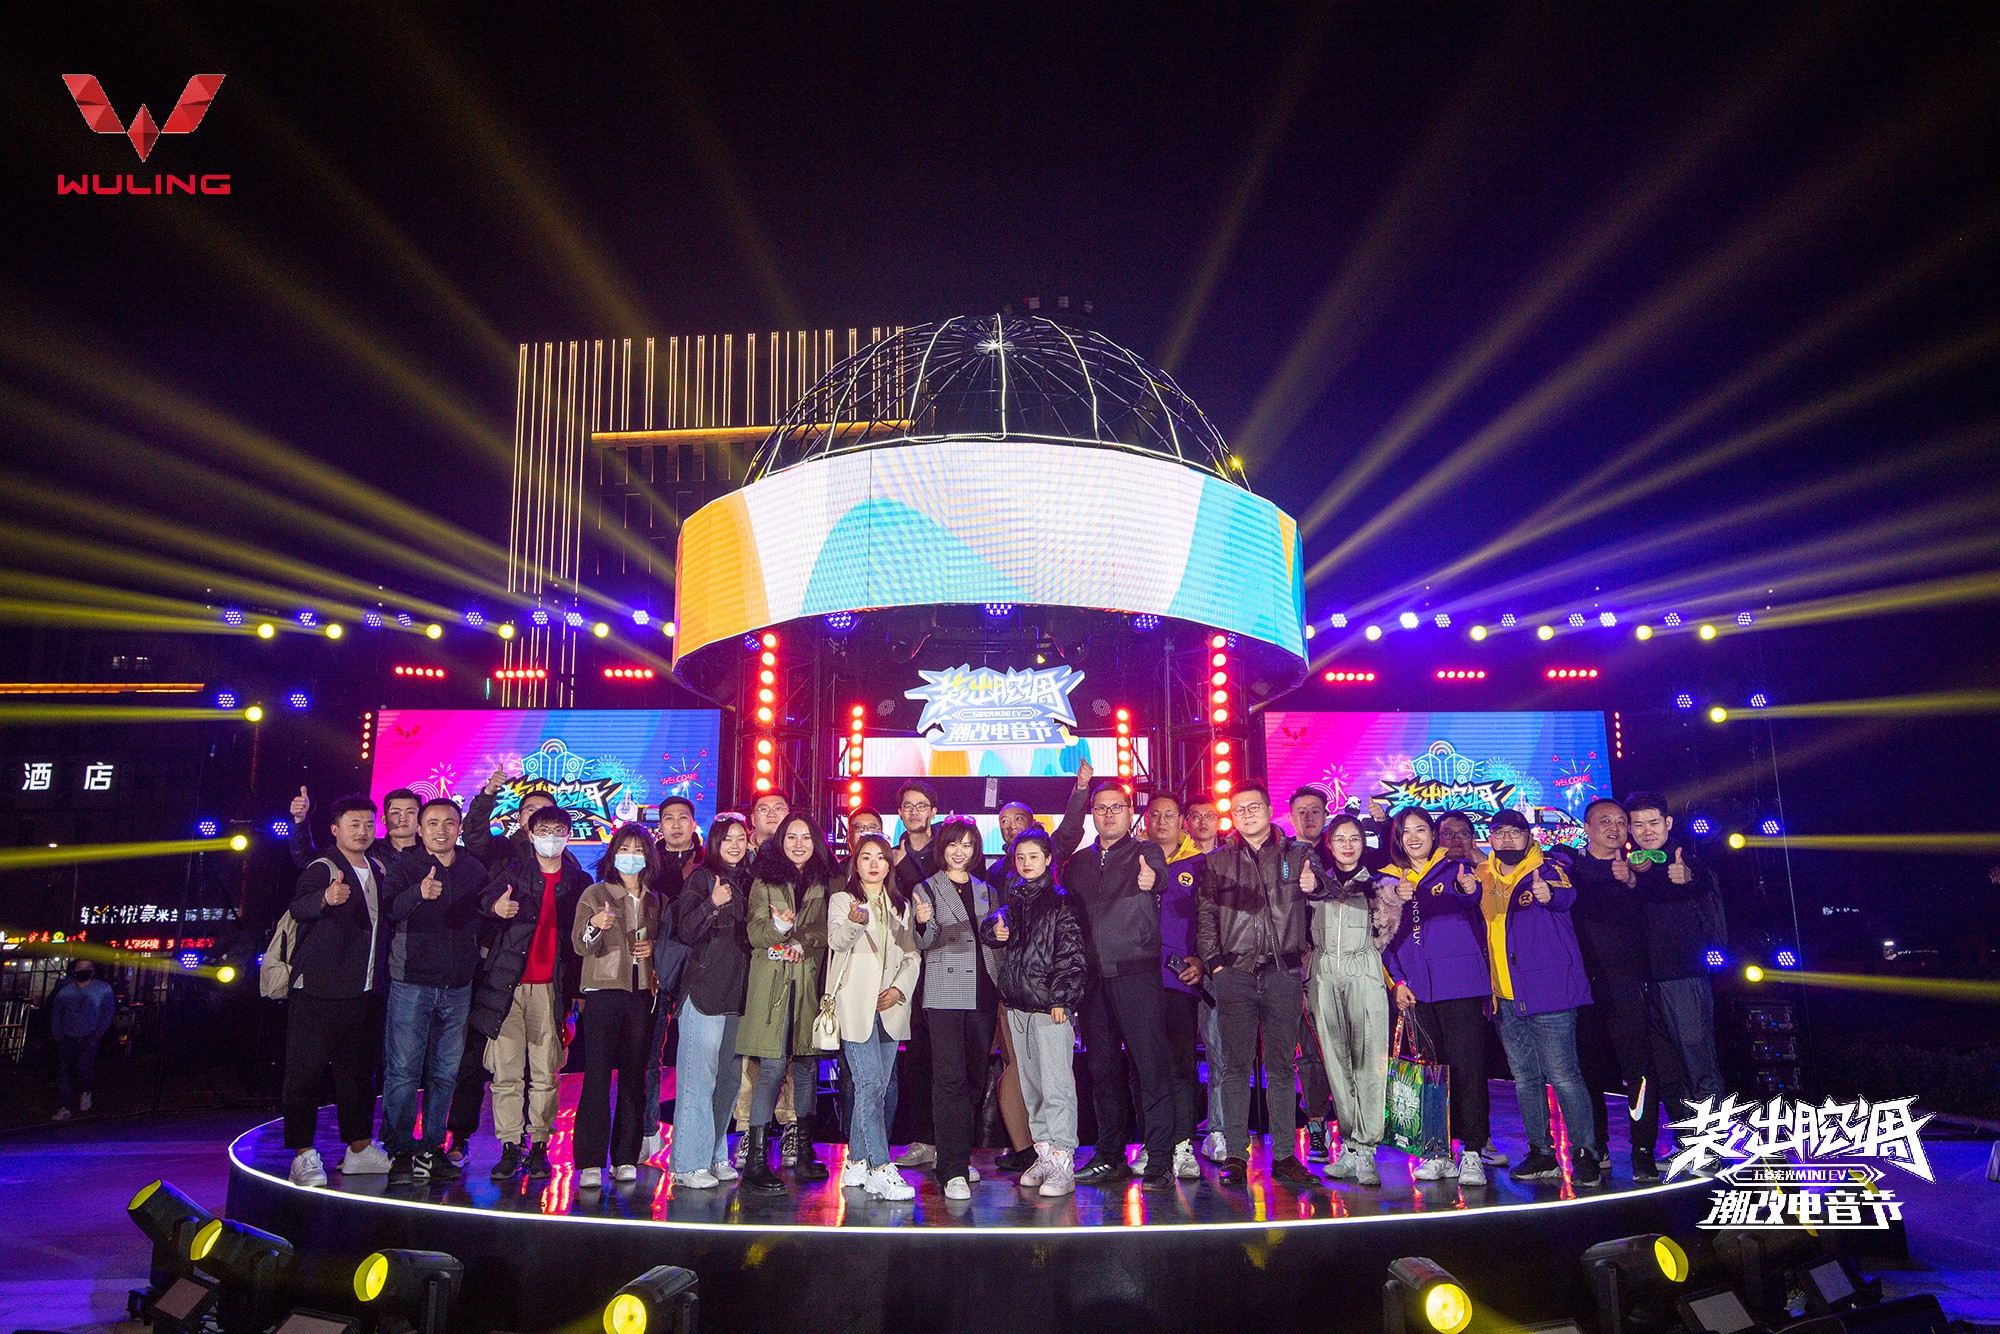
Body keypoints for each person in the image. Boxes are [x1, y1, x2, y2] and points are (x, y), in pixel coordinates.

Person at [1198, 781, 1321, 1187]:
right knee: (1234, 1067)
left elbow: (1322, 889)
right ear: (1232, 816)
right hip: (1234, 974)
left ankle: (1285, 1155)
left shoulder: (1298, 854)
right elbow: (1206, 916)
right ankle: (1236, 1154)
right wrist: (1215, 965)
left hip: (1283, 972)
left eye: (1254, 807)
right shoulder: (1217, 861)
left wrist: (1315, 885)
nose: (1247, 814)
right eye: (1239, 809)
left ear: (1269, 810)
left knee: (1281, 1067)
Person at [1471, 810, 1601, 1186]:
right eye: (1499, 833)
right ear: (1490, 838)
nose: (1507, 839)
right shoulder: (1481, 875)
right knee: (1525, 1078)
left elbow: (1565, 893)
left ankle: (1585, 1153)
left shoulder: (1549, 868)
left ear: (1529, 837)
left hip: (1549, 993)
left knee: (1563, 1075)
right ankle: (1542, 1153)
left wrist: (1551, 894)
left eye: (1515, 832)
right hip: (1503, 996)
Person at [1067, 781, 1177, 1190]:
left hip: (1136, 974)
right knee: (1103, 1071)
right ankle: (1109, 1156)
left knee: (1151, 1067)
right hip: (1093, 980)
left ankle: (1159, 1159)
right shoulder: (1078, 863)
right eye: (1101, 808)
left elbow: (1159, 875)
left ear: (1130, 812)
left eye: (1117, 807)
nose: (1109, 814)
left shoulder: (1145, 852)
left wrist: (1153, 879)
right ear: (1092, 814)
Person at [281, 795, 395, 1188]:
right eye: (353, 824)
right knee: (305, 1074)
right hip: (319, 989)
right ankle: (302, 1154)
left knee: (358, 1074)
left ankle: (359, 1148)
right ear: (335, 829)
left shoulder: (377, 867)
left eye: (368, 824)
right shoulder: (323, 867)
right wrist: (325, 899)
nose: (362, 831)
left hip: (364, 990)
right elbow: (299, 907)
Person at [984, 764, 1093, 1173]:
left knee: (1056, 1084)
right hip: (1017, 1004)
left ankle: (1062, 1158)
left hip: (1050, 1005)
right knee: (1030, 1086)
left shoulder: (1061, 899)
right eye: (1020, 857)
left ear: (1048, 857)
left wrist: (1062, 998)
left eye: (1033, 856)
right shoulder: (1011, 891)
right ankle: (1043, 1156)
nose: (1026, 861)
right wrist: (992, 930)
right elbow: (992, 924)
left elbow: (1072, 955)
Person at [473, 804, 590, 1181]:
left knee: (546, 1073)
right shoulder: (514, 872)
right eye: (544, 831)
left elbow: (581, 942)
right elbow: (484, 901)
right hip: (508, 985)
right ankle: (510, 1145)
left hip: (552, 989)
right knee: (506, 1073)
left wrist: (577, 991)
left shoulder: (579, 880)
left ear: (568, 836)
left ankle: (539, 1144)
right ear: (530, 834)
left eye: (558, 831)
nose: (551, 838)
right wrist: (496, 906)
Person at [1379, 807, 1489, 1184]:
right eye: (1406, 831)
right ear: (1397, 839)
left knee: (1468, 1068)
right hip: (1416, 990)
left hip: (1460, 984)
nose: (1414, 837)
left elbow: (1469, 898)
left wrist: (1469, 890)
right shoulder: (1386, 881)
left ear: (1433, 835)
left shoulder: (1455, 870)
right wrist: (1397, 981)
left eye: (1421, 829)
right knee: (1430, 1072)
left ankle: (1472, 1151)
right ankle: (1437, 1150)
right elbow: (1383, 939)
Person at [380, 799, 488, 1183]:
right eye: (433, 823)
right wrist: (417, 894)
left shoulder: (474, 868)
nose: (441, 830)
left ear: (459, 827)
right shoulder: (404, 866)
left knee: (445, 1073)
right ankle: (399, 1150)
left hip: (458, 985)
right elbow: (389, 911)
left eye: (449, 823)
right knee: (404, 1072)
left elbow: (485, 915)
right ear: (420, 828)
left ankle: (431, 1146)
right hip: (412, 983)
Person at [737, 812, 835, 1193]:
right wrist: (779, 928)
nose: (798, 844)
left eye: (806, 837)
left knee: (807, 1068)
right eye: (791, 837)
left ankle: (805, 1153)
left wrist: (801, 941)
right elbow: (754, 932)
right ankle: (756, 1161)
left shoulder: (825, 880)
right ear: (780, 841)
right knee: (773, 1068)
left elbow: (827, 928)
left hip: (807, 983)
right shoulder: (764, 879)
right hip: (771, 987)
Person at [1303, 813, 1400, 1186]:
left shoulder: (1379, 886)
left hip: (1365, 973)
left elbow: (1390, 936)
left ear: (1363, 843)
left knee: (1369, 1062)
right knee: (1336, 1063)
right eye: (1340, 839)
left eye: (1354, 838)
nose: (1347, 845)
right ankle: (1348, 1144)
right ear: (1329, 844)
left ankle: (1367, 1150)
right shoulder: (1315, 883)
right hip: (1324, 974)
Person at [1568, 798, 1661, 1182]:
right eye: (1605, 821)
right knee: (1586, 1073)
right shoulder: (1568, 870)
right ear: (1587, 828)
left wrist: (1634, 882)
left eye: (1622, 822)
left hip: (1627, 986)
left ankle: (1643, 1150)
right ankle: (1595, 1147)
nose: (1615, 828)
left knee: (1639, 1072)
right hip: (1583, 989)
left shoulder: (1638, 872)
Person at [568, 824, 664, 1189]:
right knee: (596, 1076)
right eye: (624, 849)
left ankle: (625, 1156)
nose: (631, 857)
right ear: (613, 854)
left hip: (642, 995)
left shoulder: (655, 899)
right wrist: (595, 924)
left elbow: (663, 944)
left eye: (639, 850)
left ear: (648, 857)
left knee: (634, 1077)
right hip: (604, 993)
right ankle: (590, 1161)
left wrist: (652, 949)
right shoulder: (595, 894)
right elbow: (581, 945)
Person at [827, 834, 922, 1201]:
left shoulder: (901, 905)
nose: (873, 864)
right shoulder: (843, 900)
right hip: (855, 1006)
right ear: (856, 863)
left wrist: (899, 989)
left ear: (889, 864)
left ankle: (857, 1161)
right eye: (866, 857)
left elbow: (912, 955)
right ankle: (881, 1168)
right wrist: (854, 922)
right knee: (868, 1085)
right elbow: (837, 942)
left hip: (891, 1007)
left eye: (880, 857)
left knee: (878, 1087)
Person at [913, 819, 1002, 1198]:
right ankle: (952, 1169)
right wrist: (923, 923)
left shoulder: (987, 891)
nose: (960, 851)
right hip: (945, 992)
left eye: (967, 844)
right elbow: (924, 941)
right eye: (953, 844)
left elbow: (993, 938)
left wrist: (1001, 935)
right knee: (949, 1081)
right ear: (942, 848)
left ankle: (957, 1154)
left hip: (983, 992)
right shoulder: (926, 888)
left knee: (975, 1080)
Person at [1625, 792, 1726, 1124]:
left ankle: (1713, 1140)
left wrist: (1689, 877)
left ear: (1668, 822)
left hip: (1683, 977)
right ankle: (1687, 1139)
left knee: (1698, 1064)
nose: (1646, 830)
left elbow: (1702, 881)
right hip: (1645, 983)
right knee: (1667, 1070)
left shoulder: (1683, 860)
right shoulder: (1630, 867)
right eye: (1638, 824)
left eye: (1653, 822)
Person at [670, 816, 754, 1188]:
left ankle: (715, 1154)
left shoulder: (750, 882)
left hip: (738, 996)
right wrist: (712, 904)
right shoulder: (702, 879)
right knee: (697, 1082)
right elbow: (685, 930)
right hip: (704, 993)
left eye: (740, 838)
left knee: (728, 1083)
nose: (735, 845)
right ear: (715, 843)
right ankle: (688, 1163)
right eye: (727, 839)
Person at [1436, 811, 1509, 1170]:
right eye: (1447, 834)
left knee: (1471, 1065)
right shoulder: (1427, 875)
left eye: (1463, 833)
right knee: (1439, 1067)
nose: (1455, 840)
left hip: (1476, 980)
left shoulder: (1487, 871)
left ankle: (1478, 1141)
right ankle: (1439, 1142)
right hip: (1432, 983)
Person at [1148, 793, 1208, 1180]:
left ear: (1180, 820)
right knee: (1146, 1067)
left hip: (1181, 977)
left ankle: (1183, 1145)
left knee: (1182, 1065)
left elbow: (1210, 918)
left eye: (1169, 815)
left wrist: (1200, 959)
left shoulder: (1199, 863)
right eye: (1155, 815)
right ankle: (1154, 1145)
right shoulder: (1133, 859)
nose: (1162, 821)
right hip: (1138, 979)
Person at [641, 797, 702, 1159]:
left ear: (694, 823)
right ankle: (649, 1130)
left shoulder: (708, 861)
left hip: (699, 970)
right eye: (668, 818)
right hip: (655, 969)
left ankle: (696, 1137)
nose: (676, 825)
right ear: (660, 825)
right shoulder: (647, 865)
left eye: (683, 818)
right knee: (650, 1055)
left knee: (698, 1058)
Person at [1288, 785, 1336, 1163]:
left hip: (1344, 962)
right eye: (1301, 811)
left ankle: (1356, 1129)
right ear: (1291, 817)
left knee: (1347, 1046)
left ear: (1326, 815)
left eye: (1315, 810)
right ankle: (1318, 1125)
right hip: (1300, 964)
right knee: (1310, 1049)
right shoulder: (1283, 856)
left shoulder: (1343, 851)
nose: (1308, 817)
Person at [1183, 792, 1229, 1162]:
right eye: (1195, 816)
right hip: (1179, 970)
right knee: (1178, 1059)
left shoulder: (1231, 860)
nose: (1202, 822)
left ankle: (1218, 1130)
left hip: (1219, 969)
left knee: (1220, 1055)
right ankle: (1177, 1136)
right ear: (1186, 822)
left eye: (1208, 815)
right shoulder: (1172, 858)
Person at [287, 785, 422, 868]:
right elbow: (306, 859)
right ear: (383, 819)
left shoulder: (430, 852)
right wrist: (300, 819)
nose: (403, 818)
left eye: (410, 812)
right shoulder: (366, 848)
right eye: (396, 813)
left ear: (421, 817)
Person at [48, 960, 114, 1122]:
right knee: (65, 1072)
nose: (84, 971)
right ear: (74, 971)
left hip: (89, 1035)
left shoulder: (103, 989)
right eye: (80, 968)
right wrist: (57, 1033)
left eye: (88, 968)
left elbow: (107, 1011)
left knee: (83, 1067)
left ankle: (85, 1091)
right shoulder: (65, 990)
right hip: (68, 1036)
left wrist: (98, 1033)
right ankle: (65, 1107)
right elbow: (57, 1012)